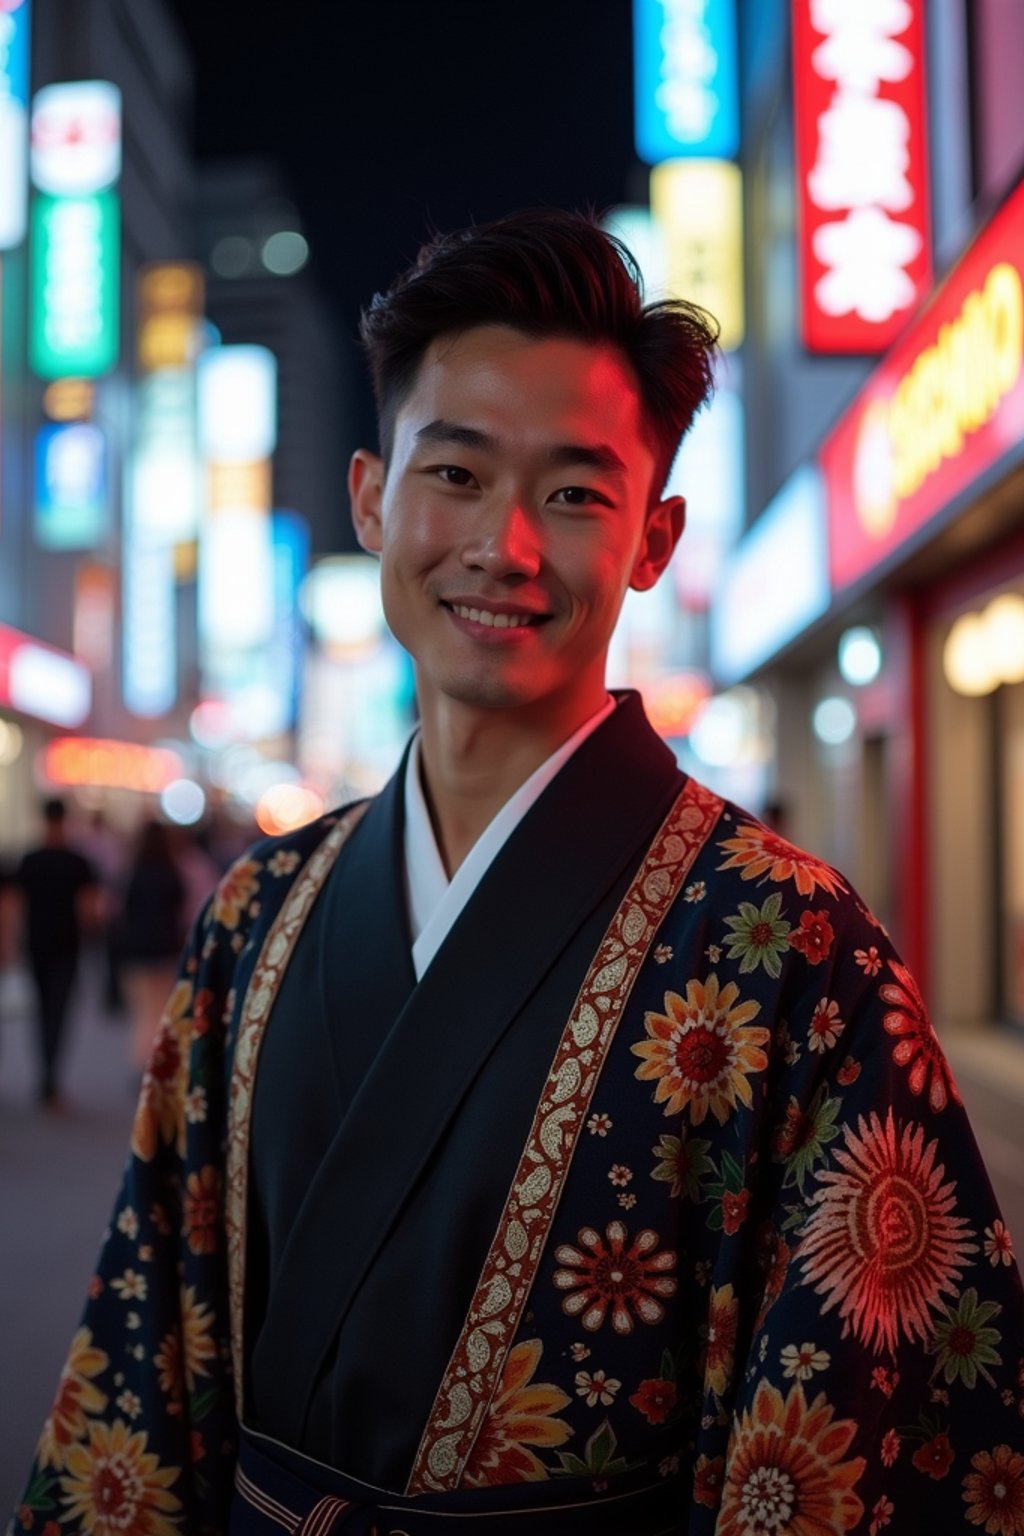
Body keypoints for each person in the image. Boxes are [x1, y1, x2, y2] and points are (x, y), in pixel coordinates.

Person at [12, 211, 1024, 1536]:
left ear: (653, 541)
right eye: (459, 475)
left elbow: (863, 1433)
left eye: (574, 493)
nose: (506, 547)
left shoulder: (793, 947)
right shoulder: (258, 910)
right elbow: (144, 1360)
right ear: (375, 496)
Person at [12, 797, 97, 1108]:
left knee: (41, 1010)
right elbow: (89, 911)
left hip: (36, 943)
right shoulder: (78, 862)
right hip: (66, 945)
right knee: (58, 1012)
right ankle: (51, 1078)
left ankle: (45, 1076)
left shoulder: (29, 859)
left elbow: (14, 906)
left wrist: (9, 943)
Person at [117, 819, 187, 1072]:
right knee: (160, 1010)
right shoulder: (171, 873)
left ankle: (141, 1061)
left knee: (142, 1011)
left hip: (136, 950)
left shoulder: (134, 873)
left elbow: (123, 912)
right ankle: (155, 1062)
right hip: (165, 948)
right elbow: (180, 910)